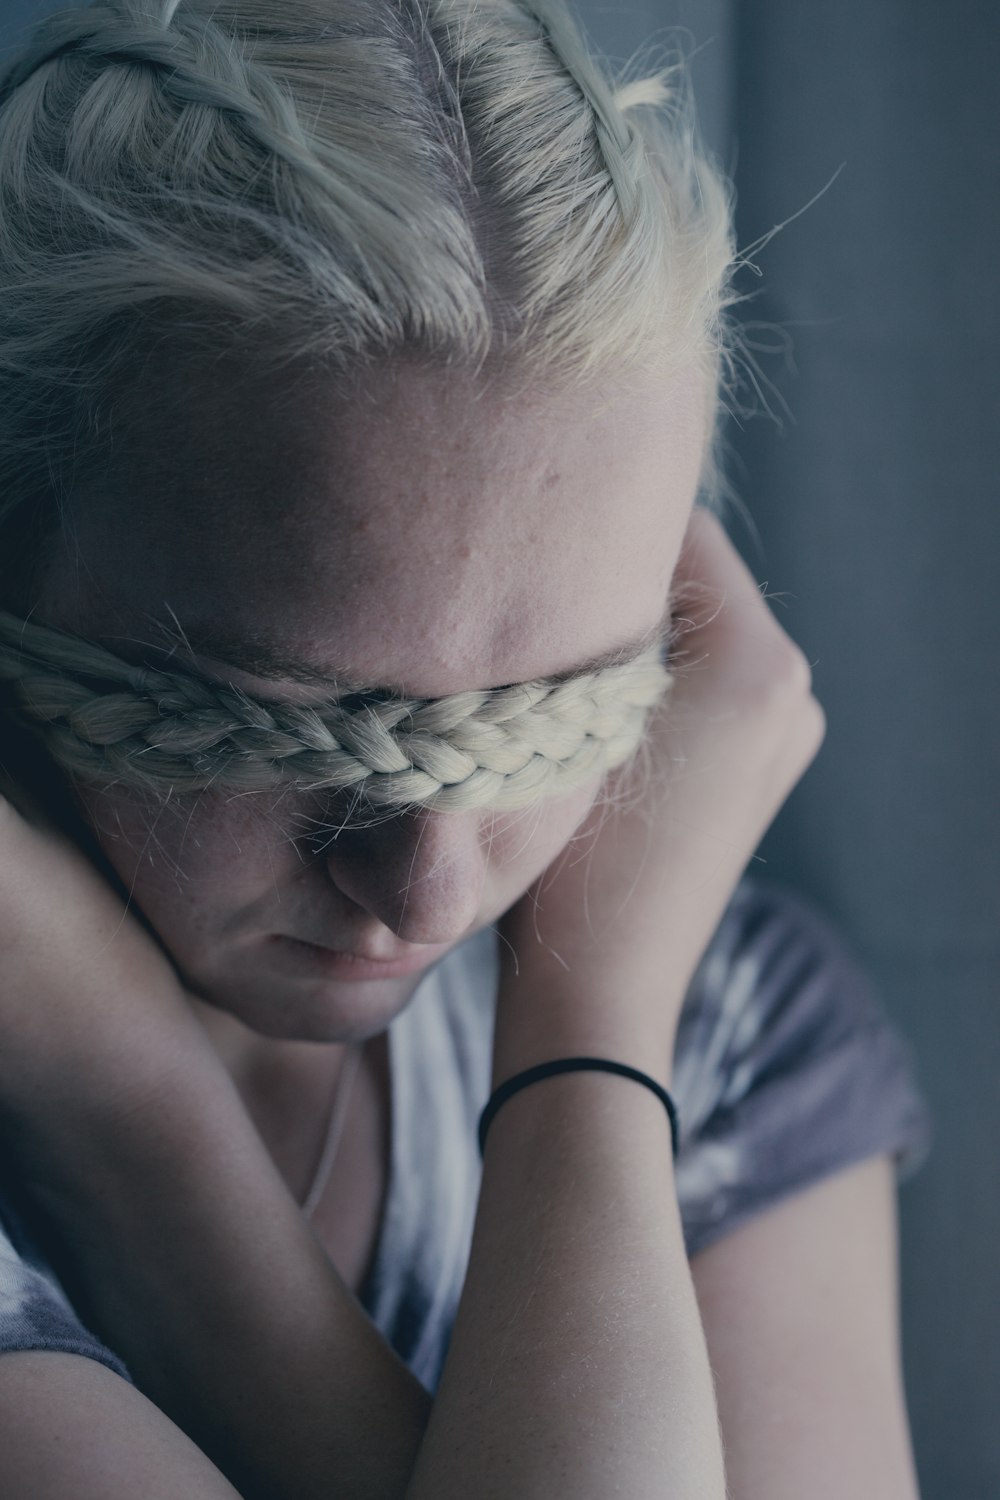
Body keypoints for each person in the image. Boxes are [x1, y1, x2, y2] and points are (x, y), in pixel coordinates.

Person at [0, 1, 933, 1495]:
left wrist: (141, 1128)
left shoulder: (729, 1037)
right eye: (285, 723)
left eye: (540, 718)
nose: (422, 889)